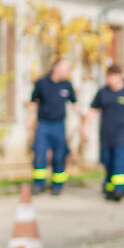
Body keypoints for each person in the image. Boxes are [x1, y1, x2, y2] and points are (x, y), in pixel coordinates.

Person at [83, 64, 124, 203]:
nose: (110, 80)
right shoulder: (103, 92)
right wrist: (85, 125)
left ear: (120, 77)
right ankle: (109, 189)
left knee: (120, 161)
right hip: (107, 134)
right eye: (108, 77)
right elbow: (94, 109)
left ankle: (119, 189)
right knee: (108, 161)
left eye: (113, 77)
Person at [27, 58, 78, 196]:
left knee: (59, 156)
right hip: (43, 124)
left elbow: (74, 103)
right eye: (65, 69)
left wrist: (81, 121)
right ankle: (39, 184)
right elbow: (33, 102)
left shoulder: (67, 85)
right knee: (40, 154)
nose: (68, 72)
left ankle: (57, 185)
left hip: (59, 125)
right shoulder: (41, 83)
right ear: (56, 68)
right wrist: (29, 120)